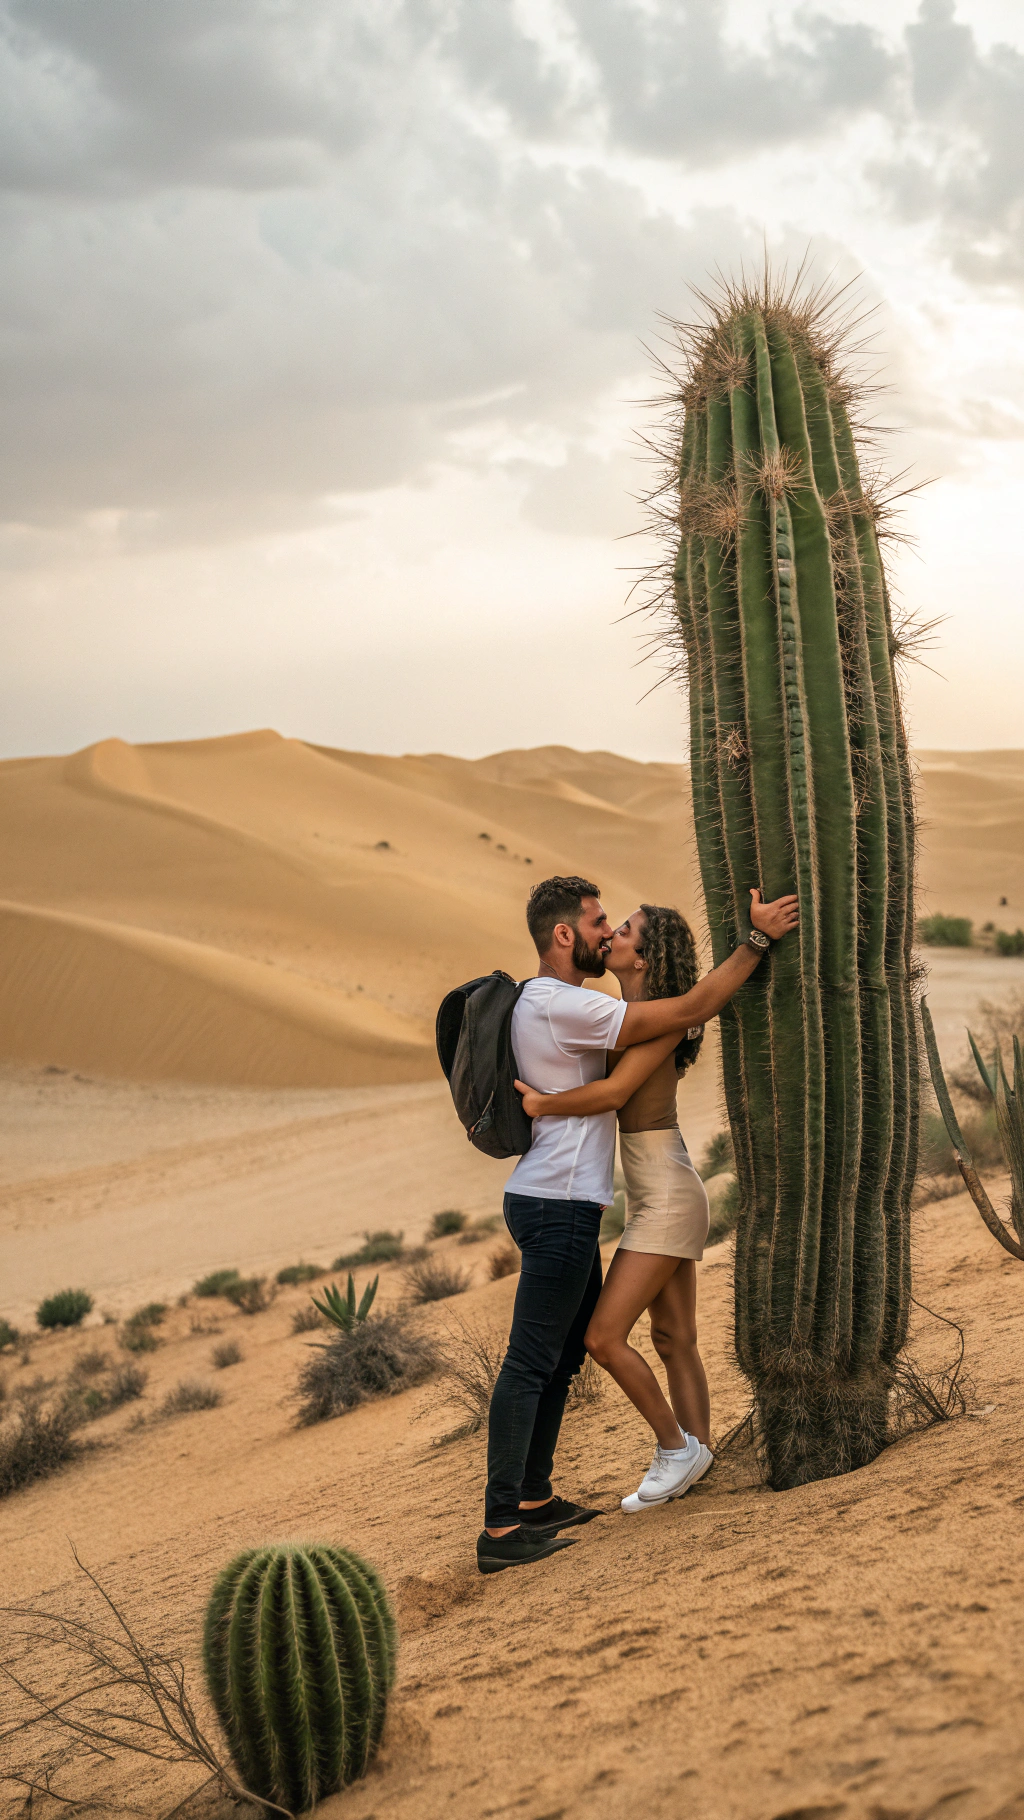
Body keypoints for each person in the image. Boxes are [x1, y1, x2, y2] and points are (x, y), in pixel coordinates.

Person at [476, 874, 798, 1576]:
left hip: (660, 1194)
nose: (610, 932)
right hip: (642, 1192)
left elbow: (622, 1086)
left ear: (645, 959)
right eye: (603, 923)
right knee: (668, 1336)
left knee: (595, 1340)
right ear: (566, 934)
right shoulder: (602, 1009)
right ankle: (689, 1454)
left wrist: (542, 1107)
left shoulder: (649, 1015)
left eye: (620, 929)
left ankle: (677, 1451)